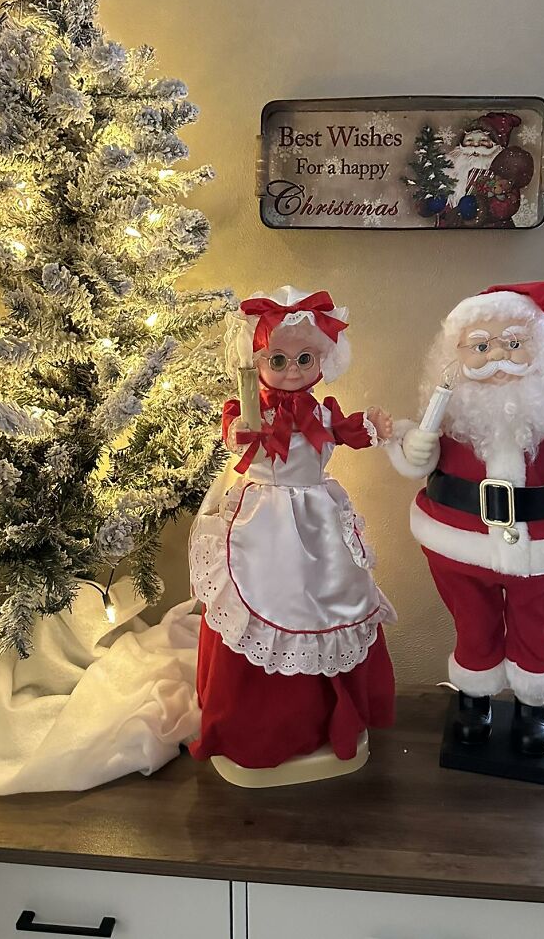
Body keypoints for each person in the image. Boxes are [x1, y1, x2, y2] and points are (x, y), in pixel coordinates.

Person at [385, 282, 544, 755]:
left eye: (513, 343)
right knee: (472, 624)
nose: (497, 356)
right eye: (480, 345)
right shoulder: (451, 416)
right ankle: (474, 700)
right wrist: (414, 449)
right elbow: (420, 456)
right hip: (460, 543)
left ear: (541, 349)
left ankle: (531, 706)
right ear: (456, 354)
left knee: (539, 626)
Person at [189, 286, 396, 779]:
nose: (293, 370)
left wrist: (375, 426)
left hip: (318, 521)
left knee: (331, 600)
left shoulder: (323, 411)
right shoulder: (247, 410)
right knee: (262, 599)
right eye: (277, 359)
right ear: (254, 359)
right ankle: (257, 723)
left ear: (324, 358)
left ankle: (329, 718)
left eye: (305, 358)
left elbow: (349, 431)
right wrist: (246, 426)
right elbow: (240, 441)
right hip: (263, 521)